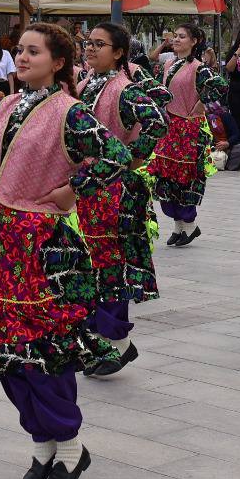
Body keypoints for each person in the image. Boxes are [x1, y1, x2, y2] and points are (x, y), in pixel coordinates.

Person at [0, 23, 132, 479]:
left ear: (58, 62)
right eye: (19, 50)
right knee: (7, 347)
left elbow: (115, 155)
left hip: (44, 243)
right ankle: (41, 442)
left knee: (46, 345)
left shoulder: (70, 112)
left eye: (33, 52)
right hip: (1, 240)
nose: (21, 58)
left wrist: (70, 190)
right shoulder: (6, 105)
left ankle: (68, 444)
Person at [76, 22, 169, 372]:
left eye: (99, 44)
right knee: (86, 263)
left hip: (115, 190)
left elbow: (157, 121)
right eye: (88, 43)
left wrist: (134, 156)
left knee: (111, 265)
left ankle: (117, 342)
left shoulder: (124, 90)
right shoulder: (84, 85)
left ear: (117, 52)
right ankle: (98, 339)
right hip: (85, 187)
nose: (90, 48)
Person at [149, 24, 228, 245]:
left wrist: (201, 105)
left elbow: (220, 87)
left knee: (186, 178)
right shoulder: (168, 64)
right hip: (170, 127)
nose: (176, 40)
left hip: (189, 129)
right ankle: (179, 226)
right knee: (166, 177)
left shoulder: (199, 68)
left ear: (194, 41)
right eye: (175, 36)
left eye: (182, 37)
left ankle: (189, 224)